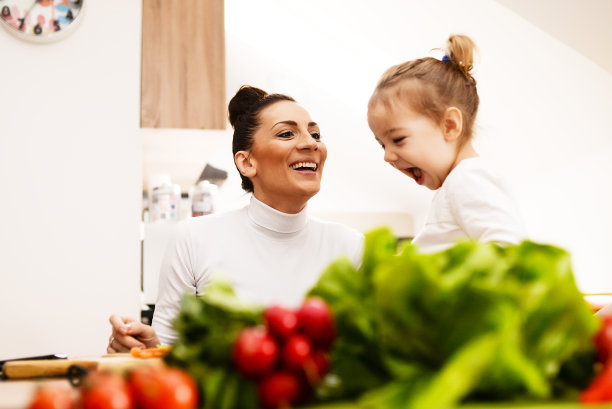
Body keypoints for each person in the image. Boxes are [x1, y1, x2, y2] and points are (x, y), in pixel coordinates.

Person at [107, 86, 364, 351]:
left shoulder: (352, 247)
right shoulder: (194, 239)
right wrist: (140, 349)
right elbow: (167, 350)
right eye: (287, 133)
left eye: (315, 134)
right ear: (247, 163)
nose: (311, 143)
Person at [367, 34, 526, 253]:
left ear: (450, 125)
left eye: (398, 140)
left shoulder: (468, 178)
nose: (388, 156)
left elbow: (509, 248)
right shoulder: (456, 184)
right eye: (383, 145)